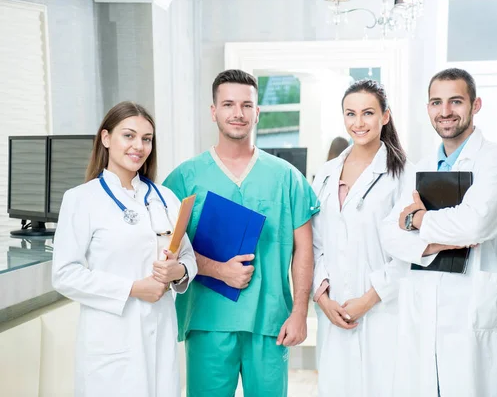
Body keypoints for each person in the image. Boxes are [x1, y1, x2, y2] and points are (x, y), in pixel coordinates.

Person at [381, 68, 497, 396]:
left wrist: (419, 222)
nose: (446, 111)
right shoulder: (419, 168)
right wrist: (436, 237)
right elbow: (389, 233)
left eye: (456, 101)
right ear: (428, 109)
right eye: (436, 102)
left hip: (474, 306)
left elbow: (474, 224)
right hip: (425, 307)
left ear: (475, 104)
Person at [163, 69, 317, 397]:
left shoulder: (287, 178)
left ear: (258, 112)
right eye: (229, 104)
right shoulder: (185, 178)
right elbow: (168, 249)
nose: (238, 113)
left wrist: (300, 311)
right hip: (208, 321)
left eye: (247, 105)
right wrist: (219, 270)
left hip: (269, 321)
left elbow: (304, 248)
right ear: (213, 111)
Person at [52, 101, 198, 397]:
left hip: (160, 338)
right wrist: (132, 288)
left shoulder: (165, 197)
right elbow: (64, 274)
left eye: (146, 139)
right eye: (128, 136)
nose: (139, 146)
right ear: (106, 138)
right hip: (112, 343)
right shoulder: (81, 199)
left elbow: (188, 258)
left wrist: (178, 271)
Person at [311, 79, 413, 397]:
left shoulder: (404, 174)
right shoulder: (326, 173)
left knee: (384, 386)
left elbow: (412, 249)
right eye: (350, 114)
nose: (358, 123)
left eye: (368, 113)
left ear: (385, 116)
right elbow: (316, 242)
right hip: (335, 308)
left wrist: (369, 299)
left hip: (384, 309)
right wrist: (322, 298)